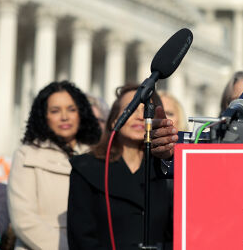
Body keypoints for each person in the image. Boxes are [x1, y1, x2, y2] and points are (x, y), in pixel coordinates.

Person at [67, 84, 173, 249]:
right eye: (131, 109)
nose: (140, 116)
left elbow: (175, 235)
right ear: (114, 119)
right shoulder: (86, 168)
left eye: (146, 110)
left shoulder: (167, 170)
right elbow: (81, 237)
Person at [8, 81, 101, 250]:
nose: (64, 117)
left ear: (81, 113)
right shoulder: (27, 154)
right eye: (55, 111)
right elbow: (23, 219)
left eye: (71, 109)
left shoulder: (96, 154)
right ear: (44, 116)